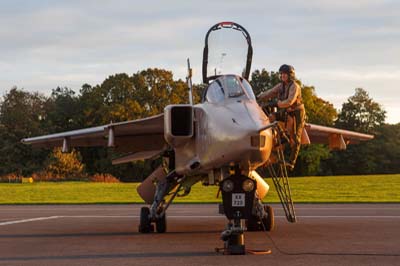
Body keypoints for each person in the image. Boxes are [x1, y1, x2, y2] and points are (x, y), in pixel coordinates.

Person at [257, 64, 306, 170]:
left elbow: (290, 101)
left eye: (285, 74)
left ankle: (291, 163)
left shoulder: (295, 86)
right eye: (282, 74)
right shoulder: (281, 86)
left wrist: (276, 104)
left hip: (297, 112)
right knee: (271, 117)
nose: (283, 76)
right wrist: (258, 97)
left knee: (296, 138)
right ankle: (282, 136)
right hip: (286, 110)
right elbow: (270, 92)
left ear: (290, 75)